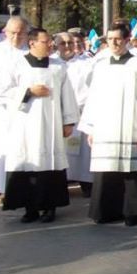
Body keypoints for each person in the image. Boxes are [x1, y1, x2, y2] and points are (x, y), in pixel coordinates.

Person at [78, 22, 137, 226]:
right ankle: (106, 211)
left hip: (130, 127)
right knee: (106, 170)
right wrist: (91, 128)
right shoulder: (100, 65)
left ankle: (132, 212)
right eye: (110, 39)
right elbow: (94, 98)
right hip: (105, 128)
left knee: (132, 171)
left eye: (118, 39)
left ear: (127, 40)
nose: (114, 43)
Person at [1, 28, 79, 223]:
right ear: (33, 43)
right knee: (27, 164)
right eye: (46, 42)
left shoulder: (58, 67)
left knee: (49, 165)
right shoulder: (16, 65)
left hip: (50, 124)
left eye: (51, 42)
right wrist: (28, 91)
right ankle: (30, 208)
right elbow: (3, 92)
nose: (50, 45)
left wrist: (69, 121)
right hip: (25, 124)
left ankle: (49, 207)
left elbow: (67, 95)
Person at [0, 16, 30, 195]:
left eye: (21, 33)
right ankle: (5, 189)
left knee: (23, 149)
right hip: (3, 109)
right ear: (5, 32)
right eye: (13, 33)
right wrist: (14, 95)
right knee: (3, 148)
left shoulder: (31, 52)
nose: (16, 37)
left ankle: (24, 188)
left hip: (26, 108)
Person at [54, 32, 94, 197]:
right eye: (63, 44)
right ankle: (61, 184)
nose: (68, 47)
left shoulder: (87, 63)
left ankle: (86, 184)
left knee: (83, 154)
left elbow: (93, 88)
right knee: (60, 151)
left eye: (70, 43)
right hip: (57, 115)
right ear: (56, 45)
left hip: (80, 114)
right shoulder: (52, 63)